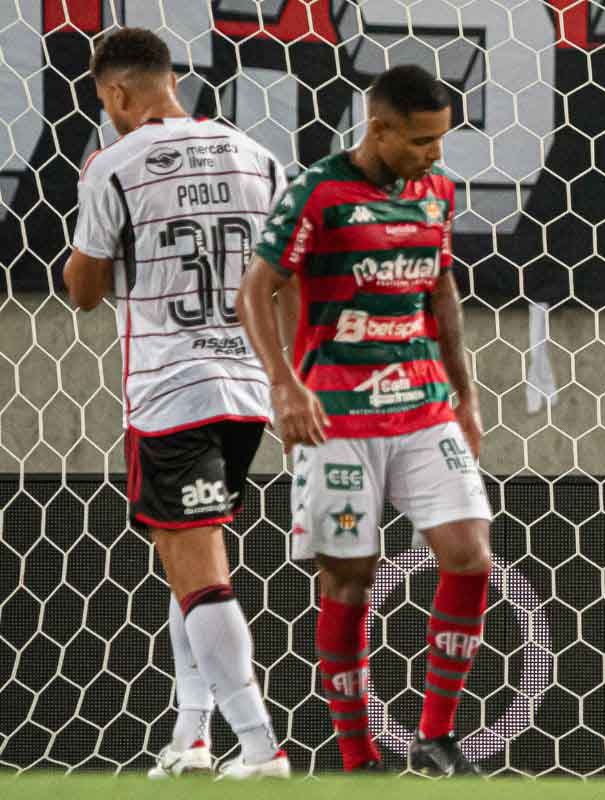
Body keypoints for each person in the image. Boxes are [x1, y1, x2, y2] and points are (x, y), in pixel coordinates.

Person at [236, 64, 492, 777]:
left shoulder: (435, 191)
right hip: (337, 417)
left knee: (470, 553)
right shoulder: (319, 189)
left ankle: (435, 736)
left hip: (421, 404)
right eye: (420, 140)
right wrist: (284, 388)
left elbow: (440, 288)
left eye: (440, 139)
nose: (435, 154)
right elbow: (256, 289)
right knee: (351, 578)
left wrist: (465, 395)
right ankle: (358, 760)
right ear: (377, 127)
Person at [63, 28, 292, 779]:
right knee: (189, 556)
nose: (108, 110)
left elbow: (86, 291)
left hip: (171, 392)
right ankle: (193, 735)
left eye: (104, 99)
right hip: (248, 389)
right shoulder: (257, 155)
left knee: (200, 575)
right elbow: (281, 275)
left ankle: (261, 747)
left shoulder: (115, 164)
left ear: (118, 93)